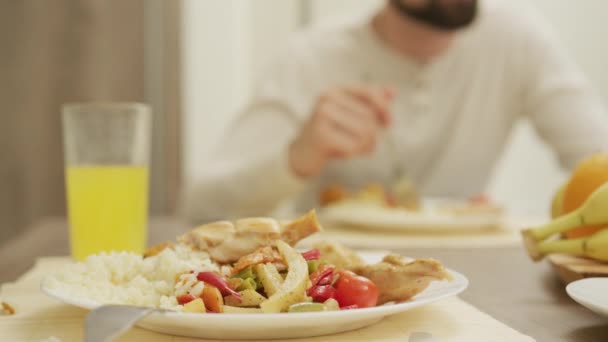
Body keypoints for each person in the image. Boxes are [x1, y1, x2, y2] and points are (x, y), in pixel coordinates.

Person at [182, 0, 608, 221]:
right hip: (342, 291)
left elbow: (597, 157)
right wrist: (297, 158)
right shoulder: (313, 56)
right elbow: (201, 204)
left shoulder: (519, 40)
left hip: (477, 285)